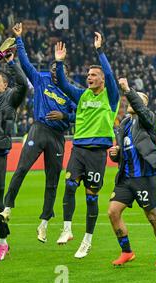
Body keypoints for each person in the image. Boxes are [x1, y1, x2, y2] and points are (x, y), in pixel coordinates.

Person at [0, 23, 76, 243]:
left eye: (57, 69)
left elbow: (78, 115)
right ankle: (7, 208)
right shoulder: (41, 79)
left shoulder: (70, 91)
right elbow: (26, 63)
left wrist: (65, 117)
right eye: (51, 68)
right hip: (39, 129)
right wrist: (19, 39)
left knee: (52, 181)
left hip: (58, 137)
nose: (52, 72)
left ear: (63, 73)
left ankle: (44, 223)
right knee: (21, 168)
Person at [53, 33, 119, 258]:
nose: (89, 77)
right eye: (88, 74)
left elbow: (110, 74)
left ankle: (87, 240)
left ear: (101, 79)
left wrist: (100, 51)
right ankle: (67, 229)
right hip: (79, 149)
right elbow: (62, 83)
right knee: (70, 186)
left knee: (91, 196)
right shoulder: (81, 95)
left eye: (93, 75)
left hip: (98, 153)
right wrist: (59, 62)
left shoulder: (110, 97)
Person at [108, 78, 156, 267]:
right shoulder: (123, 124)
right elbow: (124, 152)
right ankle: (127, 251)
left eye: (137, 99)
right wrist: (115, 154)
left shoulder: (148, 120)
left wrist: (127, 89)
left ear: (143, 104)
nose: (129, 102)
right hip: (126, 178)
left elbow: (141, 109)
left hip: (145, 177)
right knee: (113, 212)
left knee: (153, 218)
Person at [0, 53, 28, 261]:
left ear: (5, 85)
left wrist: (11, 62)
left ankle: (4, 242)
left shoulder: (11, 98)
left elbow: (24, 84)